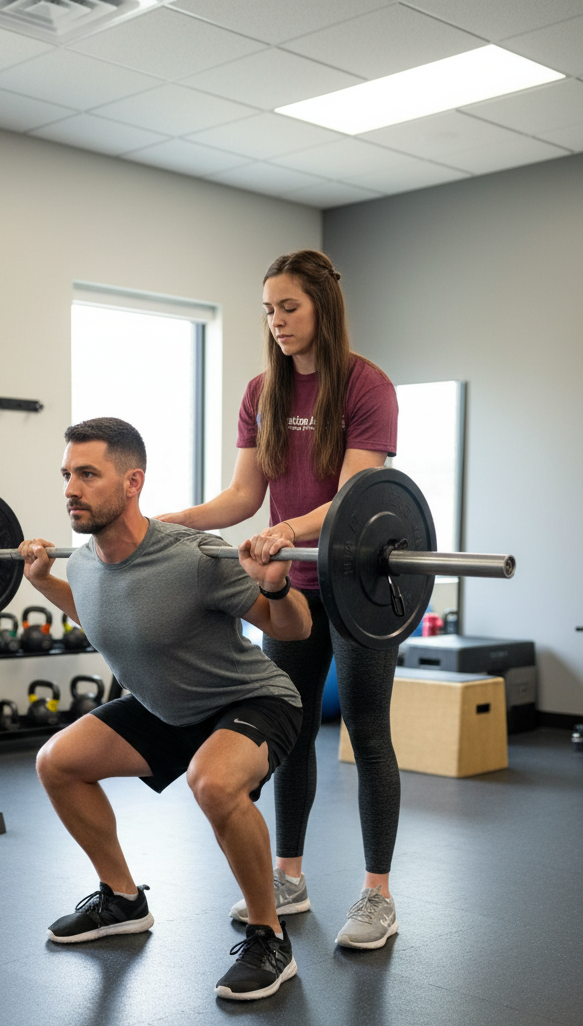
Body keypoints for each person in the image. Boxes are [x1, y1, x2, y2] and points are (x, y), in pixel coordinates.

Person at [20, 416, 312, 1002]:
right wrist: (44, 582)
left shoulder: (196, 558)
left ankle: (269, 937)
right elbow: (103, 616)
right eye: (66, 475)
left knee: (213, 783)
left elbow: (295, 629)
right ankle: (122, 899)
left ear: (133, 482)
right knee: (58, 763)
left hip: (250, 699)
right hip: (165, 707)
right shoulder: (81, 563)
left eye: (87, 474)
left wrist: (277, 587)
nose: (70, 489)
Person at [159, 249, 400, 950]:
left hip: (363, 588)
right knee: (289, 732)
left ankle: (377, 895)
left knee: (367, 730)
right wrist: (158, 524)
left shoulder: (365, 386)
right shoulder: (263, 391)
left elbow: (355, 493)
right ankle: (288, 877)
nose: (277, 320)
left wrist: (285, 531)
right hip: (295, 584)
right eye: (269, 308)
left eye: (288, 306)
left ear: (322, 305)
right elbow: (242, 498)